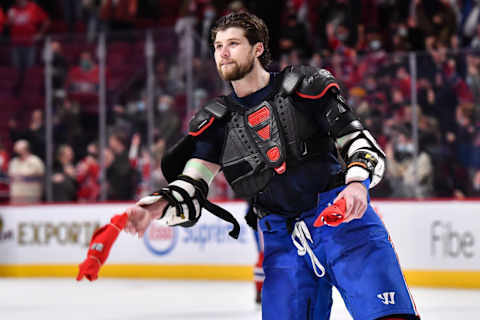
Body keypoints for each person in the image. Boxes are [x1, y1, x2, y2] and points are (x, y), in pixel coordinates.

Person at [124, 12, 420, 320]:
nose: (223, 52)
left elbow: (357, 140)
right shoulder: (216, 122)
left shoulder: (304, 87)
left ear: (258, 49)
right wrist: (154, 207)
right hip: (282, 240)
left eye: (233, 43)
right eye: (217, 46)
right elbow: (192, 182)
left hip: (342, 221)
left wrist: (357, 183)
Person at [8, 139, 44, 204]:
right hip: (16, 197)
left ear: (25, 149)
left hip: (31, 197)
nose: (15, 149)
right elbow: (10, 176)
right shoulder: (14, 162)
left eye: (18, 147)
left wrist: (24, 177)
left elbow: (41, 176)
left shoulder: (35, 161)